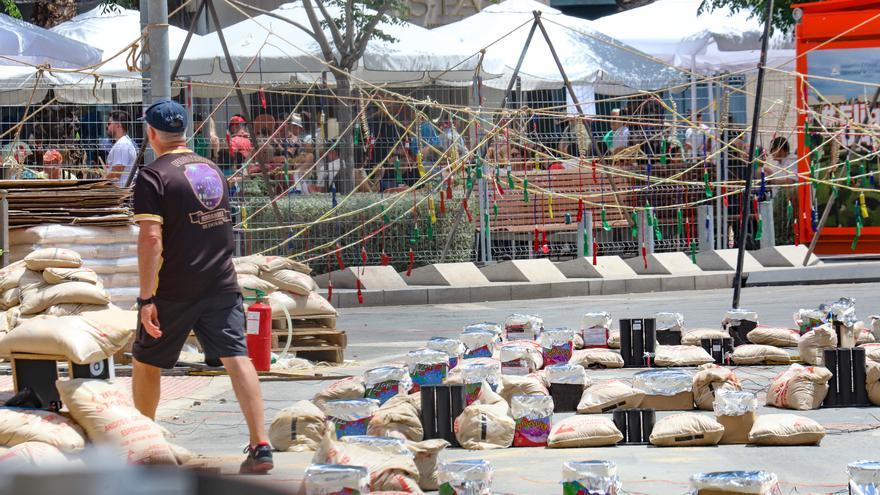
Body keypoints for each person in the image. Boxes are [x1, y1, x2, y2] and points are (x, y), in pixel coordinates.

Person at [131, 100, 272, 474]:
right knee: (237, 357)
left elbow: (151, 238)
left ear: (151, 133)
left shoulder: (153, 176)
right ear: (185, 132)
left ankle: (145, 448)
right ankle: (261, 445)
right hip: (221, 281)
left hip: (174, 287)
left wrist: (146, 298)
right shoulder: (212, 169)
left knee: (146, 362)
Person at [106, 110, 137, 186]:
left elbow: (116, 175)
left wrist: (98, 182)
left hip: (122, 191)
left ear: (118, 125)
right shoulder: (123, 142)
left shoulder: (122, 145)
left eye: (109, 123)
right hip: (122, 190)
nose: (107, 126)